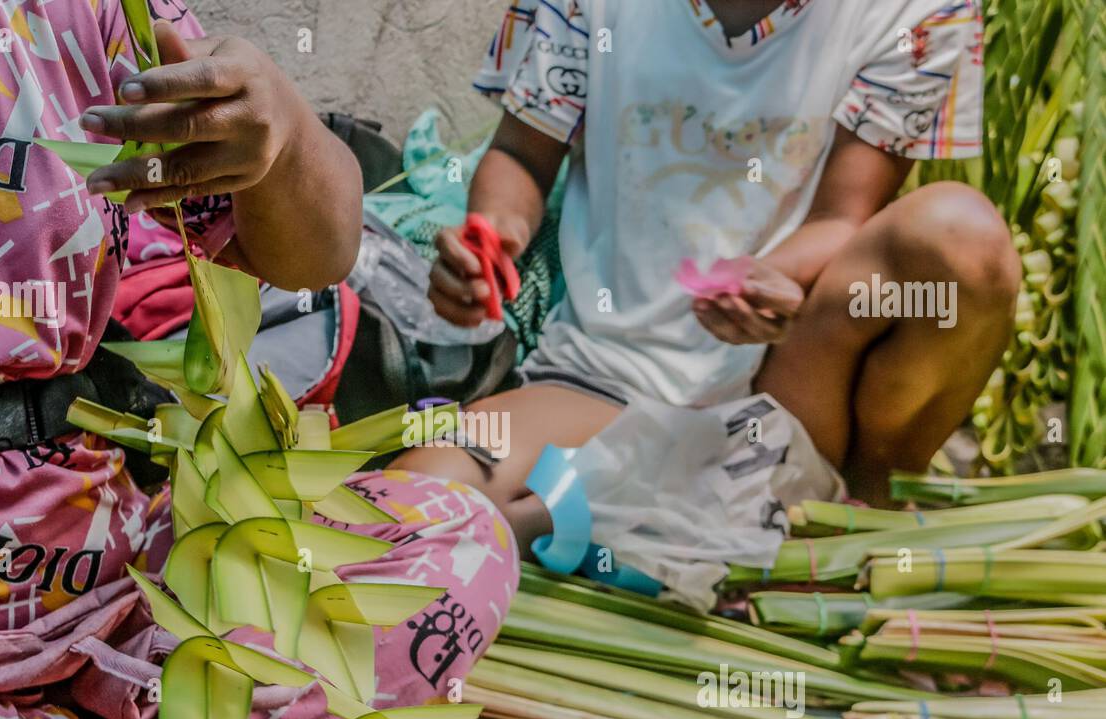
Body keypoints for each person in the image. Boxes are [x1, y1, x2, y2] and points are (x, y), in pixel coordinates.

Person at [0, 0, 516, 719]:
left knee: (456, 543)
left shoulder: (78, 16)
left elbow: (314, 257)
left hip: (118, 585)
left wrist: (282, 135)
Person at [398, 0, 1022, 549]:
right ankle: (699, 510)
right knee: (407, 512)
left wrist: (766, 280)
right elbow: (519, 155)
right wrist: (494, 235)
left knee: (961, 238)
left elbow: (843, 216)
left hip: (792, 382)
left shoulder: (916, 11)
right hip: (606, 377)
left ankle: (866, 502)